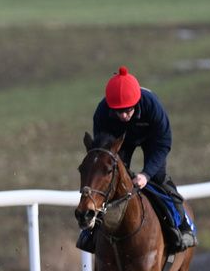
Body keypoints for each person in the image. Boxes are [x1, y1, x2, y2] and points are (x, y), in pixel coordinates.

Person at [77, 65, 197, 253]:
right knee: (113, 179)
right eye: (119, 111)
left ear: (137, 102)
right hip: (119, 142)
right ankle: (92, 232)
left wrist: (146, 174)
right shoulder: (102, 113)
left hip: (151, 139)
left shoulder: (152, 106)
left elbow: (163, 143)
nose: (124, 116)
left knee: (158, 177)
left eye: (128, 110)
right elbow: (102, 155)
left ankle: (182, 225)